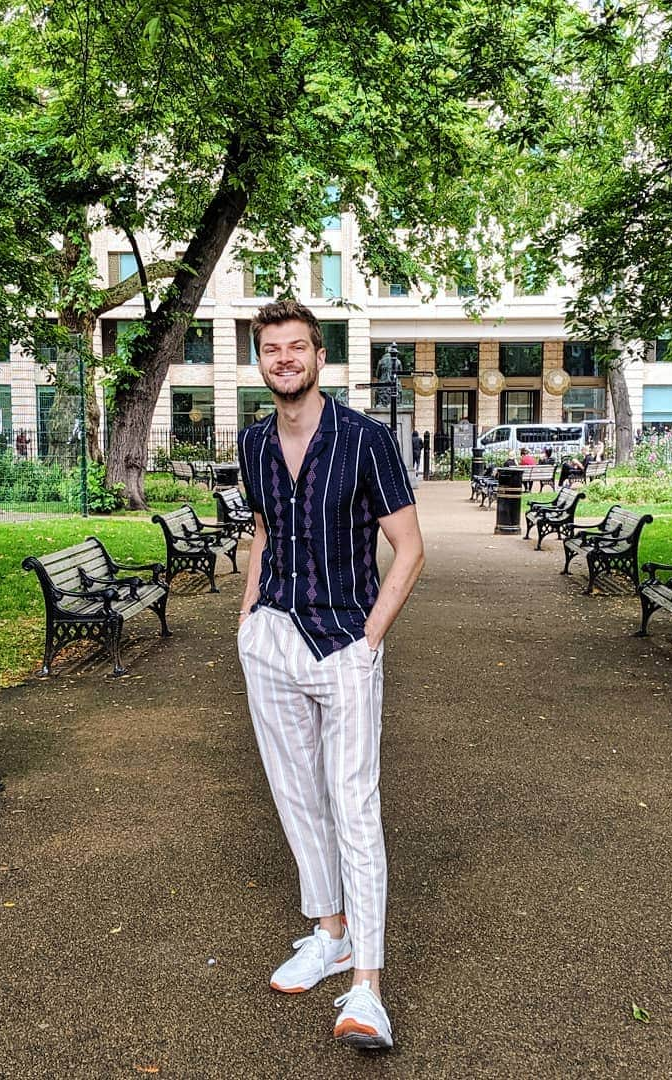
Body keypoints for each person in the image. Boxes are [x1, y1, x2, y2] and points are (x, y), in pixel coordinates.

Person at [236, 299, 424, 1052]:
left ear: (319, 357)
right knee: (296, 796)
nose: (284, 359)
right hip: (274, 640)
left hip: (346, 643)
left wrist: (371, 640)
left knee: (354, 807)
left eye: (296, 347)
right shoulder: (252, 443)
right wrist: (248, 621)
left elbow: (409, 550)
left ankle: (367, 988)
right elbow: (261, 531)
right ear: (261, 361)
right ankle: (330, 933)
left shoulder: (366, 440)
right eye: (271, 349)